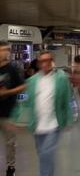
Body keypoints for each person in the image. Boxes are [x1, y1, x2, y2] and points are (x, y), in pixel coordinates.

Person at [13, 50, 72, 176]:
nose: (45, 63)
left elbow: (66, 100)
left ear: (52, 61)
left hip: (54, 124)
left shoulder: (61, 78)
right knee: (43, 155)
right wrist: (16, 117)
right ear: (39, 63)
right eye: (42, 61)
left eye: (48, 60)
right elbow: (24, 101)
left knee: (46, 154)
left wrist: (69, 119)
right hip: (37, 126)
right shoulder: (32, 81)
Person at [0, 41, 25, 176]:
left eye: (6, 50)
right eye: (1, 50)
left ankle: (11, 168)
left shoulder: (12, 69)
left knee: (10, 142)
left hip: (8, 113)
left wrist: (7, 92)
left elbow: (22, 86)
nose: (4, 53)